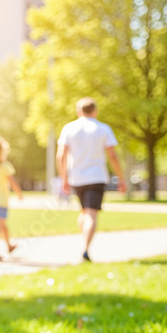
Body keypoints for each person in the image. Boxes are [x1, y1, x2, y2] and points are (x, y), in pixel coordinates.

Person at [56, 97, 126, 262]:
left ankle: (84, 243)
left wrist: (63, 178)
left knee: (84, 212)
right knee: (91, 214)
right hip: (97, 176)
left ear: (78, 111)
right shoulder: (103, 129)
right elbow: (113, 156)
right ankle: (86, 249)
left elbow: (61, 156)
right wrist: (121, 178)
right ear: (95, 111)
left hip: (76, 177)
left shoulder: (69, 128)